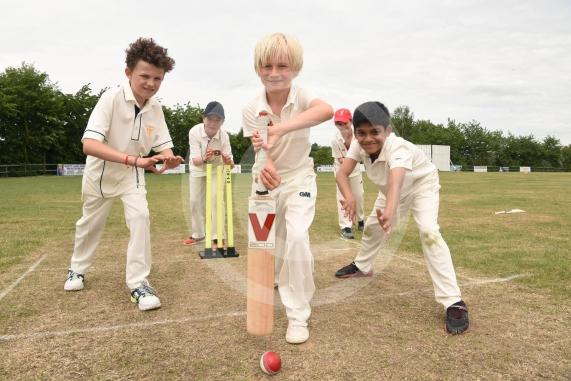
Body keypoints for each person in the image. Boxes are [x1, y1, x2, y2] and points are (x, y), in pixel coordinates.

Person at [63, 37, 184, 311]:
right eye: (145, 76)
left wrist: (170, 159)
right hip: (100, 176)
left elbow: (164, 147)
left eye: (158, 78)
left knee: (141, 218)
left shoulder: (155, 107)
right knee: (89, 225)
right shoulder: (111, 98)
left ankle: (139, 283)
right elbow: (89, 145)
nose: (151, 84)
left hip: (133, 176)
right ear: (128, 73)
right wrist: (134, 159)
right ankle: (77, 269)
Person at [334, 101, 469, 334]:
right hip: (390, 190)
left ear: (388, 131)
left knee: (429, 232)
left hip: (420, 187)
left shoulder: (399, 148)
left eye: (375, 132)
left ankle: (453, 301)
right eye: (361, 133)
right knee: (372, 230)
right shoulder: (358, 145)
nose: (368, 139)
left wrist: (390, 211)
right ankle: (362, 266)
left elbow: (397, 182)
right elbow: (342, 173)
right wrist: (349, 197)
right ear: (355, 132)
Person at [242, 32, 333, 344]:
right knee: (265, 244)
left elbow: (326, 111)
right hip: (263, 181)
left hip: (299, 180)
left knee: (296, 238)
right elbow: (260, 149)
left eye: (282, 65)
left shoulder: (303, 96)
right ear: (257, 69)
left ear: (295, 68)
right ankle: (277, 282)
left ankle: (298, 315)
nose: (274, 73)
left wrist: (279, 128)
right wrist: (266, 164)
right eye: (266, 66)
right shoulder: (251, 108)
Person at [183, 101, 234, 249]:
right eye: (210, 119)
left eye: (217, 120)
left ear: (222, 122)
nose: (213, 123)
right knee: (194, 202)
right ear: (203, 119)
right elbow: (196, 160)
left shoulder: (224, 137)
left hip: (217, 170)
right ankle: (198, 234)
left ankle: (218, 236)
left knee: (216, 200)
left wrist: (227, 160)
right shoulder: (194, 132)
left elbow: (230, 164)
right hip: (198, 169)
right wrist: (206, 157)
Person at [331, 108, 365, 239]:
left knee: (358, 196)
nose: (342, 126)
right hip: (340, 170)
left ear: (350, 121)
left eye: (344, 122)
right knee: (343, 196)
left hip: (355, 170)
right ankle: (346, 226)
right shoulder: (335, 140)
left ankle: (361, 219)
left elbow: (361, 157)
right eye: (338, 123)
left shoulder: (358, 136)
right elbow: (341, 160)